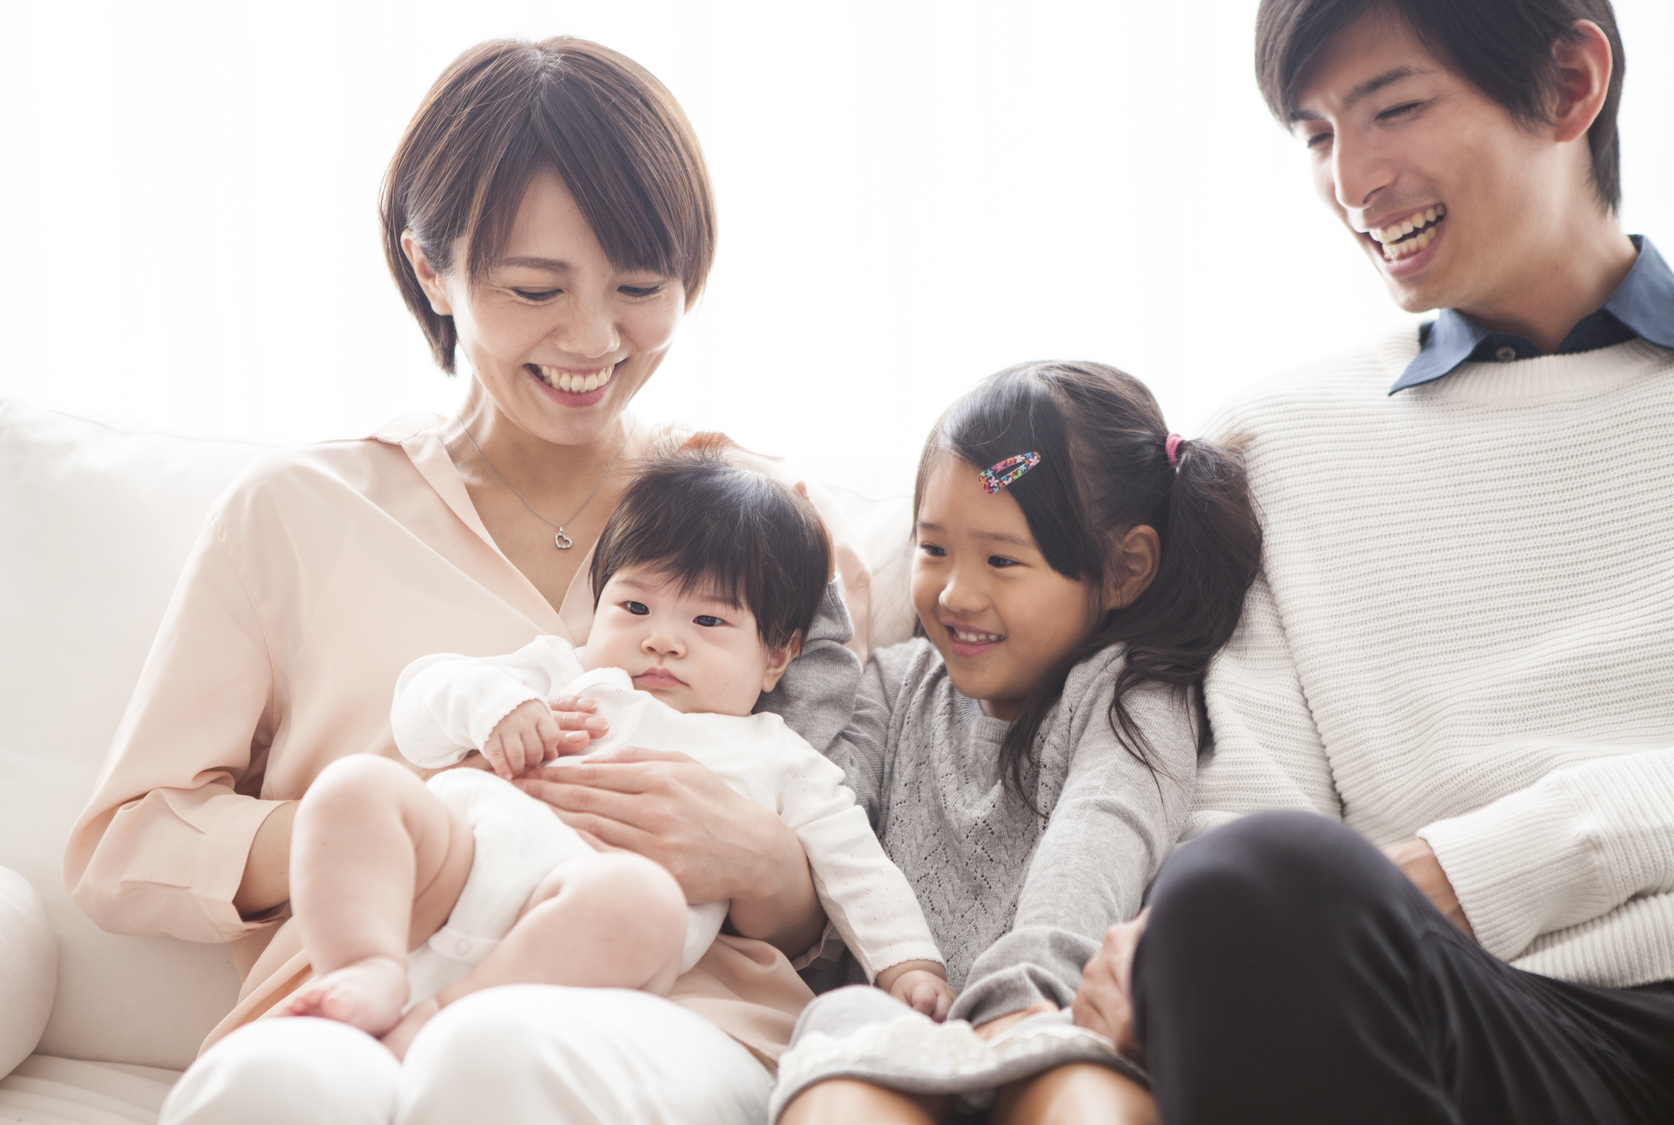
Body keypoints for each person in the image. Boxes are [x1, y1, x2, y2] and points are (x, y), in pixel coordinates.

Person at [64, 37, 867, 1125]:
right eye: (534, 288)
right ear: (431, 269)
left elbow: (864, 856)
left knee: (499, 1060)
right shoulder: (298, 512)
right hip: (361, 976)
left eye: (640, 287)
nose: (592, 338)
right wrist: (406, 827)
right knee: (272, 1088)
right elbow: (126, 842)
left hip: (677, 1006)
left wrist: (765, 868)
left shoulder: (766, 529)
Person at [1070, 2, 1674, 1123]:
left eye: (1394, 108)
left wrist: (1480, 866)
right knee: (1232, 889)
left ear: (1569, 84)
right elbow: (1246, 823)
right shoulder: (1277, 442)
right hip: (1484, 1033)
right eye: (1313, 134)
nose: (1352, 181)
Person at [283, 453, 953, 1054]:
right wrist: (493, 706)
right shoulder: (562, 673)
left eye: (708, 620)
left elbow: (857, 868)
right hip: (455, 869)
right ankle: (364, 965)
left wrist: (909, 964)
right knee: (354, 786)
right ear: (597, 605)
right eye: (634, 605)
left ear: (777, 656)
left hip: (588, 932)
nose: (662, 639)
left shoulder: (780, 757)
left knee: (644, 900)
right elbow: (419, 710)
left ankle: (445, 1012)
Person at [773, 362, 1262, 1124]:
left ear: (1126, 567)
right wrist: (826, 624)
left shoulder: (1127, 695)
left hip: (1047, 1009)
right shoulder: (892, 682)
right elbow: (809, 804)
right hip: (888, 1020)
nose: (954, 594)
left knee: (1078, 1088)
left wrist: (1019, 1004)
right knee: (838, 1060)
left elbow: (1102, 835)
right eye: (933, 549)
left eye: (1002, 560)